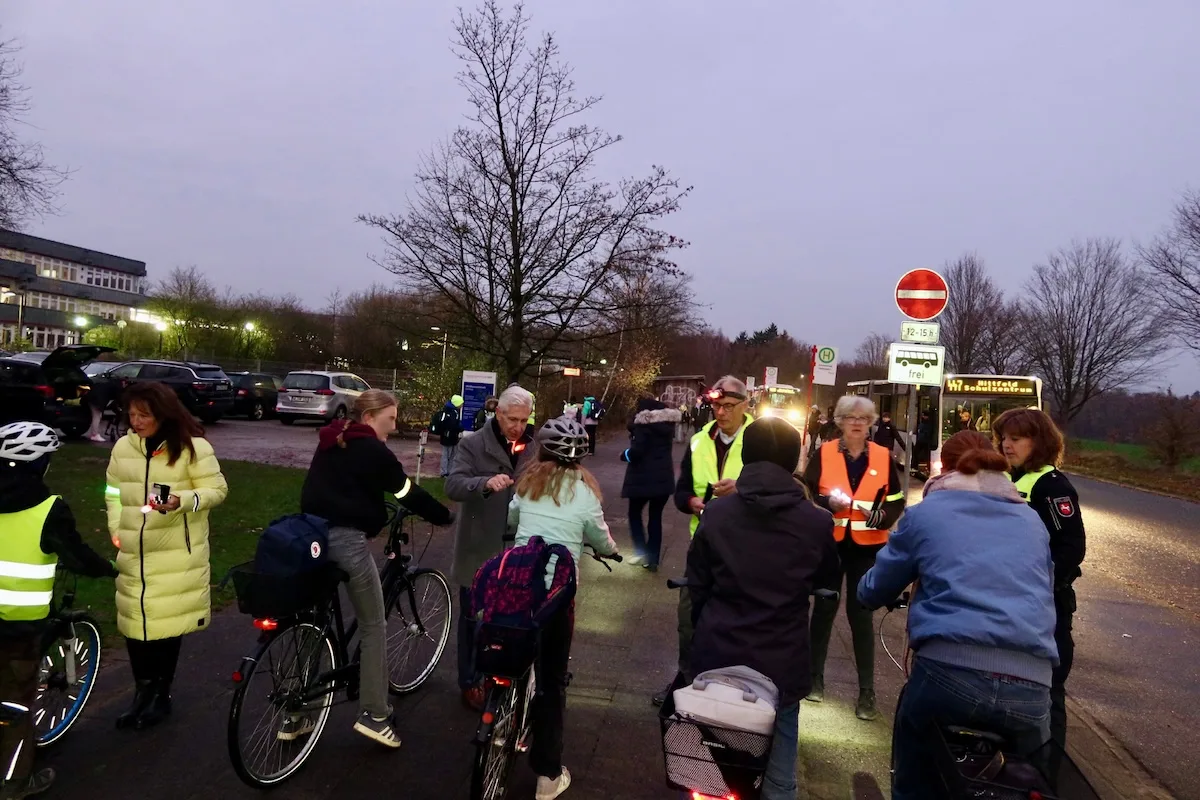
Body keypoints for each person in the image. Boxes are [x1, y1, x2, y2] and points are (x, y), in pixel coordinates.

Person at [858, 431, 1058, 800]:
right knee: (1019, 788)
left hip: (950, 673)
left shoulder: (927, 513)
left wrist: (871, 590)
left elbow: (873, 589)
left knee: (917, 782)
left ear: (945, 468)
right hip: (1032, 686)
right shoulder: (1032, 521)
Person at [686, 417, 838, 800]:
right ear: (793, 463)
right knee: (780, 773)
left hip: (717, 651)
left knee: (705, 766)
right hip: (780, 663)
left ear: (746, 457)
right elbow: (827, 582)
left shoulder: (716, 514)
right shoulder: (817, 522)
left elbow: (697, 585)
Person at [299, 389, 453, 747]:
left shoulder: (331, 441)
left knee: (315, 620)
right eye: (391, 419)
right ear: (370, 418)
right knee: (373, 624)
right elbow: (405, 492)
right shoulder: (371, 449)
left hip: (309, 536)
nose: (394, 427)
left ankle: (296, 713)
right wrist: (443, 515)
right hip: (345, 542)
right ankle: (374, 713)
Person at [0, 422, 118, 798]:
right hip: (17, 625)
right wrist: (107, 568)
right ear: (40, 463)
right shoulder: (48, 508)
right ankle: (15, 783)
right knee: (15, 705)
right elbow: (77, 556)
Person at [105, 381, 228, 730]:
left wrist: (182, 501)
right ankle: (141, 693)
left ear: (164, 413)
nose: (136, 421)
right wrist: (117, 527)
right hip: (133, 550)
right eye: (131, 414)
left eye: (144, 415)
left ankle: (160, 695)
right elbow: (112, 489)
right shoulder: (122, 448)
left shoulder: (192, 448)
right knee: (133, 623)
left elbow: (217, 491)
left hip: (175, 551)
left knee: (164, 627)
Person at [507, 415, 619, 800]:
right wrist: (612, 552)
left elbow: (511, 518)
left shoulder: (527, 484)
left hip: (518, 584)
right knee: (553, 681)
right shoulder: (585, 493)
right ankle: (548, 775)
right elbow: (601, 539)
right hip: (556, 596)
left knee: (512, 648)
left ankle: (503, 700)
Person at [801, 394, 905, 720]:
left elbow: (897, 499)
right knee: (823, 611)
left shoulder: (883, 456)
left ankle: (866, 693)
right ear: (841, 422)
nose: (857, 423)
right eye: (850, 418)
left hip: (867, 547)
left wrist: (883, 516)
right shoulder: (826, 452)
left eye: (863, 419)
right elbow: (806, 491)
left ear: (871, 423)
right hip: (830, 544)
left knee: (861, 618)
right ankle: (814, 680)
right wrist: (824, 504)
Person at [652, 376, 754, 707]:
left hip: (745, 547)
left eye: (727, 406)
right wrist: (693, 503)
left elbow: (780, 489)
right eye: (715, 406)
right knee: (688, 616)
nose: (720, 412)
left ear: (745, 405)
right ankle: (685, 680)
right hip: (703, 544)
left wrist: (741, 489)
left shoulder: (761, 440)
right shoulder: (698, 440)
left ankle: (733, 688)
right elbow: (681, 493)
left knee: (737, 620)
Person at [992, 408, 1085, 753]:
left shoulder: (1052, 486)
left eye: (1016, 439)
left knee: (1049, 693)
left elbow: (1071, 549)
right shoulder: (1014, 480)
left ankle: (1049, 775)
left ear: (1039, 441)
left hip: (1046, 609)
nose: (1006, 445)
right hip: (1017, 606)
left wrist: (1034, 584)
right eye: (1003, 438)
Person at [446, 385, 537, 711]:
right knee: (473, 619)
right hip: (478, 545)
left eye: (524, 420)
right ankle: (469, 680)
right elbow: (452, 485)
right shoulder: (472, 444)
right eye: (512, 419)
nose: (518, 426)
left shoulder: (532, 446)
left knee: (506, 618)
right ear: (497, 413)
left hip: (515, 547)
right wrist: (483, 483)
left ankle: (495, 674)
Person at [619, 398, 681, 571]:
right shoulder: (667, 427)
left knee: (634, 513)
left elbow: (637, 452)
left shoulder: (643, 426)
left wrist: (624, 454)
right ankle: (653, 559)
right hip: (663, 480)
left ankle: (641, 551)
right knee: (655, 518)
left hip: (643, 480)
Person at [434, 394, 465, 477]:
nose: (462, 405)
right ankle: (444, 472)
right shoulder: (451, 412)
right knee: (447, 455)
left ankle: (449, 471)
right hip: (448, 437)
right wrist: (460, 428)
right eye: (461, 403)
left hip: (451, 436)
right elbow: (452, 425)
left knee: (452, 455)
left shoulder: (453, 411)